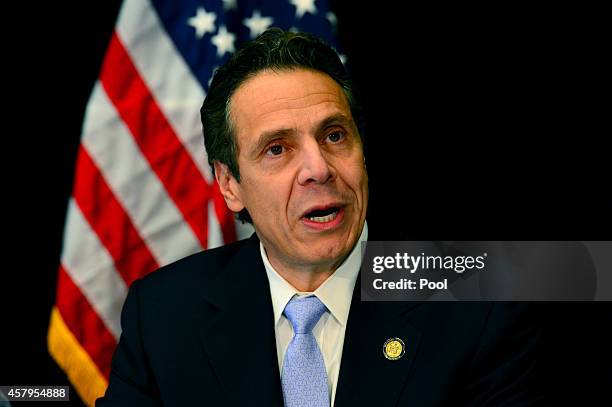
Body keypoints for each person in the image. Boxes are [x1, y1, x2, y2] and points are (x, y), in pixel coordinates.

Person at [97, 29, 542, 406]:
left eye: (334, 135)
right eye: (278, 149)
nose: (319, 168)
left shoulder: (478, 301)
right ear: (230, 184)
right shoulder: (162, 314)